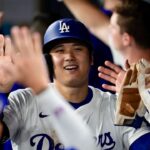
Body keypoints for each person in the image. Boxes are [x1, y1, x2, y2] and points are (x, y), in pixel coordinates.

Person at [0, 18, 150, 150]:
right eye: (59, 50)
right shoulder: (24, 100)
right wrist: (1, 91)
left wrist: (146, 99)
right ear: (47, 60)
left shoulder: (116, 107)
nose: (69, 57)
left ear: (91, 58)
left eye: (77, 49)